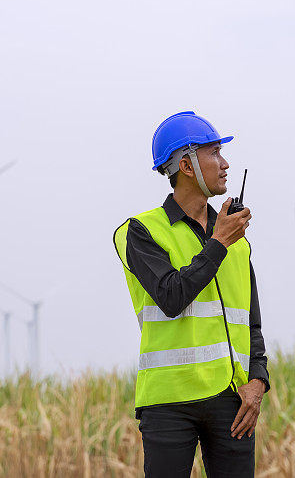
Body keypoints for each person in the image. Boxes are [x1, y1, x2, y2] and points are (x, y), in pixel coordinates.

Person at [112, 111, 270, 477]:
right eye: (214, 152)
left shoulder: (235, 240)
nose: (225, 163)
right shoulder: (140, 231)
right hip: (168, 402)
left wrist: (258, 381)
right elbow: (170, 297)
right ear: (185, 165)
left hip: (232, 400)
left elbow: (251, 322)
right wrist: (218, 244)